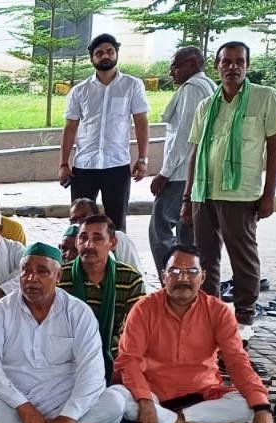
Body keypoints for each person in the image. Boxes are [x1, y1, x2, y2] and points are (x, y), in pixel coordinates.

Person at [0, 243, 125, 423]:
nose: (32, 278)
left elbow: (92, 372)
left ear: (58, 277)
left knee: (115, 402)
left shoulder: (78, 312)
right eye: (26, 271)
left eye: (42, 272)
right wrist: (22, 405)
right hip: (13, 401)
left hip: (62, 397)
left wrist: (68, 418)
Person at [109, 246, 272, 423]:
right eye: (175, 271)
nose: (183, 278)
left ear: (202, 277)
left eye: (192, 272)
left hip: (201, 397)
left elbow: (237, 361)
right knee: (116, 398)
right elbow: (128, 360)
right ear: (164, 276)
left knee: (247, 405)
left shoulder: (218, 311)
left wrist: (262, 407)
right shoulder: (144, 309)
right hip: (153, 395)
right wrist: (145, 401)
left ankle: (174, 422)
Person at [183, 41, 276, 341]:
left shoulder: (265, 98)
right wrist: (188, 198)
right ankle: (211, 315)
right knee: (206, 259)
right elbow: (195, 151)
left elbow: (275, 149)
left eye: (239, 61)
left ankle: (243, 319)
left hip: (241, 195)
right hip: (205, 193)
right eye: (226, 62)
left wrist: (269, 195)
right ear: (217, 66)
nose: (233, 67)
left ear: (247, 65)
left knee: (243, 258)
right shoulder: (207, 105)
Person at [60, 33, 151, 232]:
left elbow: (141, 122)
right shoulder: (79, 91)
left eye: (110, 51)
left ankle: (118, 262)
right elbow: (70, 127)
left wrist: (143, 159)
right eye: (99, 53)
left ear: (116, 54)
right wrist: (64, 164)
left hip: (117, 166)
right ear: (92, 58)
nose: (105, 56)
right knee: (80, 222)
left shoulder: (132, 85)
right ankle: (79, 261)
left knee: (116, 224)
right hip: (84, 166)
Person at [58, 215, 146, 381]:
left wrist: (123, 366)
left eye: (97, 238)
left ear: (112, 243)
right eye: (83, 238)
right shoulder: (60, 277)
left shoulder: (129, 278)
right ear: (77, 242)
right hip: (68, 360)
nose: (88, 245)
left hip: (114, 358)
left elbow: (137, 332)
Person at [149, 47, 212, 271]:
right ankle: (188, 282)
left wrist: (164, 173)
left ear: (193, 64)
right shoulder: (208, 86)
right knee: (188, 231)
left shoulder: (193, 89)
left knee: (160, 229)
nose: (171, 72)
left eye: (176, 66)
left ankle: (171, 278)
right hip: (195, 173)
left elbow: (185, 137)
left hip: (181, 173)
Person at [68, 198, 142, 269]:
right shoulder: (68, 240)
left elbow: (137, 273)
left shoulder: (118, 238)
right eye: (74, 220)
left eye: (84, 217)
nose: (79, 223)